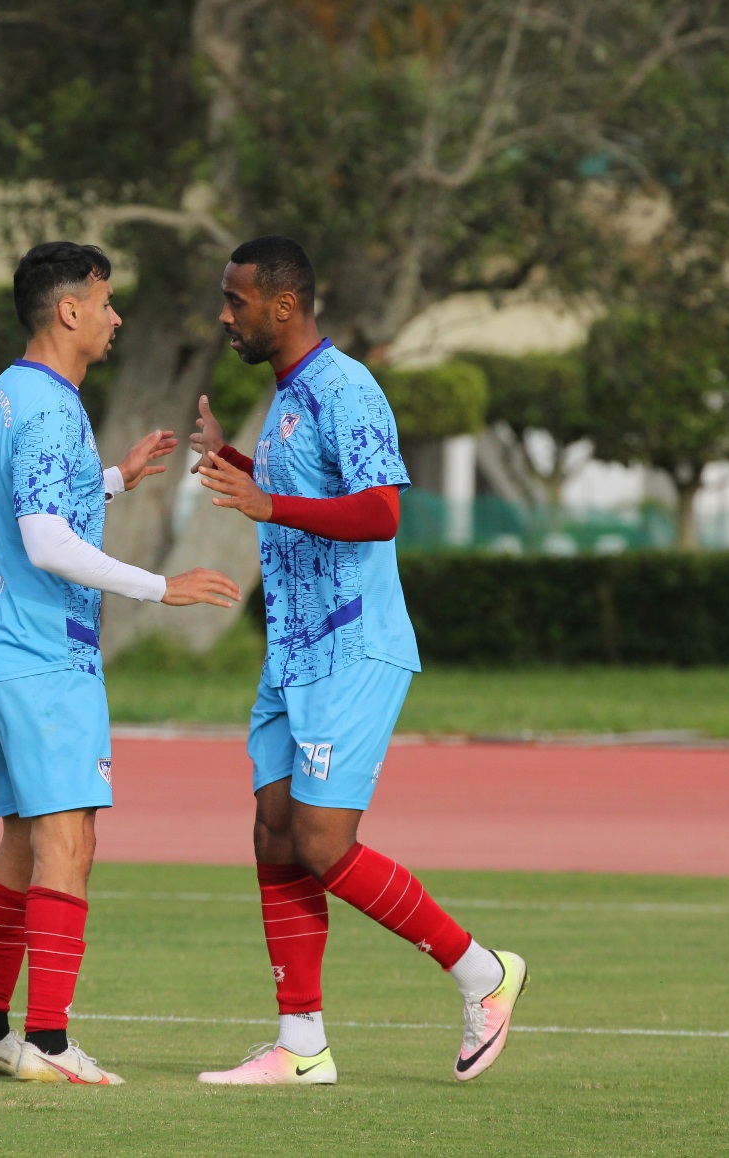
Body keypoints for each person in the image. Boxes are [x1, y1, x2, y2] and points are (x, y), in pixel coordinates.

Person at [190, 236, 527, 1086]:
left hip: (351, 648)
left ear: (283, 305)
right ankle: (300, 1045)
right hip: (292, 653)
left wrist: (265, 501)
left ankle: (481, 973)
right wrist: (234, 464)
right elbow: (303, 496)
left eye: (235, 301)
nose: (224, 316)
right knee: (273, 831)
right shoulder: (287, 395)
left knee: (322, 842)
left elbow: (379, 512)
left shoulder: (347, 388)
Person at [0, 241, 242, 1087]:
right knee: (68, 840)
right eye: (106, 302)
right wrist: (161, 586)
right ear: (68, 309)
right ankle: (46, 1042)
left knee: (23, 839)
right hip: (44, 656)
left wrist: (109, 480)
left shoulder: (1, 397)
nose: (115, 317)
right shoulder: (49, 408)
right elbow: (44, 541)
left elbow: (29, 504)